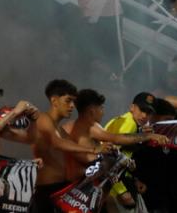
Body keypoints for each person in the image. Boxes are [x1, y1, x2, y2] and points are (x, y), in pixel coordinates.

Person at [30, 80, 110, 213]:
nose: (72, 106)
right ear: (54, 101)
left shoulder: (61, 131)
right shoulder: (42, 119)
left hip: (64, 189)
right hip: (47, 190)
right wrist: (93, 149)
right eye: (68, 101)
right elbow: (57, 143)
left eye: (73, 101)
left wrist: (106, 156)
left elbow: (79, 153)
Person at [64, 89, 168, 182]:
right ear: (92, 110)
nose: (103, 112)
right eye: (101, 108)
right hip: (86, 184)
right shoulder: (91, 126)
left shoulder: (66, 127)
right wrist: (149, 136)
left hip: (72, 182)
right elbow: (117, 140)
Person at [104, 92, 164, 208]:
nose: (144, 115)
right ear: (132, 107)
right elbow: (109, 157)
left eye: (149, 112)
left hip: (111, 181)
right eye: (142, 109)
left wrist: (134, 179)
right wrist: (121, 190)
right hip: (110, 185)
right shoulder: (129, 124)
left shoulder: (128, 121)